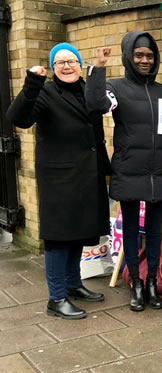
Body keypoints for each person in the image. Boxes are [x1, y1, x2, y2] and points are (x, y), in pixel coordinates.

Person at [86, 31, 162, 312]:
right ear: (128, 57)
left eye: (149, 55)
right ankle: (135, 283)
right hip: (129, 169)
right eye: (139, 55)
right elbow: (96, 105)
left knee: (155, 231)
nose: (145, 60)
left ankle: (152, 284)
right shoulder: (115, 87)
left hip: (159, 171)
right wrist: (98, 69)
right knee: (131, 231)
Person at [7, 43, 110, 319]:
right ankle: (56, 297)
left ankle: (74, 284)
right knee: (58, 238)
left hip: (87, 174)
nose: (66, 66)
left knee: (78, 232)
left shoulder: (87, 89)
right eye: (60, 62)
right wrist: (32, 83)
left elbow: (99, 112)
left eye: (71, 61)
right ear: (53, 68)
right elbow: (17, 117)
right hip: (59, 178)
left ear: (79, 64)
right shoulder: (44, 93)